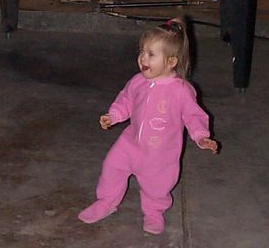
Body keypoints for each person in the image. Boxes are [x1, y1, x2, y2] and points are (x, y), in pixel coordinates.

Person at [78, 18, 219, 234]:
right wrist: (113, 115)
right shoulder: (138, 81)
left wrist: (201, 136)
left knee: (157, 185)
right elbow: (126, 100)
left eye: (151, 54)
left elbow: (193, 115)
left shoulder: (181, 90)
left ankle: (154, 211)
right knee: (112, 168)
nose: (143, 58)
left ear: (171, 62)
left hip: (159, 152)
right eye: (142, 51)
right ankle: (106, 202)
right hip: (130, 142)